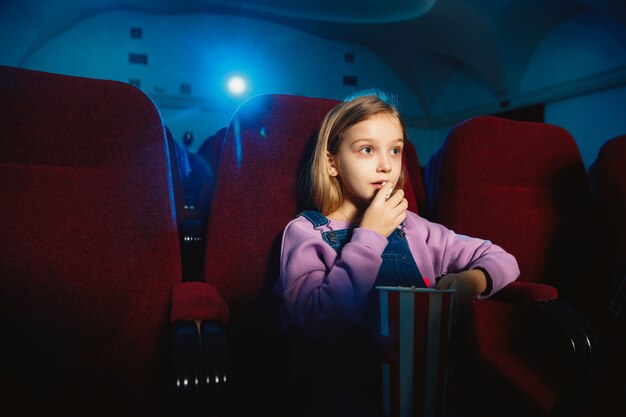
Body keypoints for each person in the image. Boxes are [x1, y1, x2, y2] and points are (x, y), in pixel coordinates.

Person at [274, 90, 520, 417]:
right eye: (367, 150)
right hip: (336, 391)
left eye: (395, 150)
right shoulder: (305, 233)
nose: (386, 164)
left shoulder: (415, 228)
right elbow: (325, 324)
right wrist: (371, 235)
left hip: (416, 385)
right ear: (332, 163)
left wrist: (470, 281)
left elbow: (504, 260)